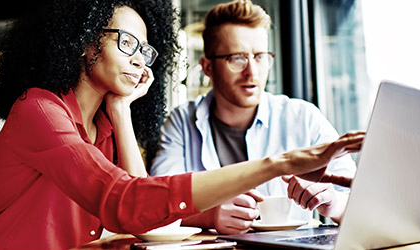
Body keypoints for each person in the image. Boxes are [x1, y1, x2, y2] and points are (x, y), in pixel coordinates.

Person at [0, 0, 364, 249]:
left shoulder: (105, 124)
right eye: (126, 42)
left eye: (145, 49)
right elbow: (123, 203)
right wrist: (281, 164)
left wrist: (121, 111)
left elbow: (141, 215)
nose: (139, 59)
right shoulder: (39, 110)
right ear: (85, 42)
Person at [150, 0, 357, 235]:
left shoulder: (304, 118)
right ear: (207, 67)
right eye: (237, 58)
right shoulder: (181, 122)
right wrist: (208, 216)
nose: (252, 71)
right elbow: (156, 204)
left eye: (260, 56)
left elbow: (364, 204)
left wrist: (334, 204)